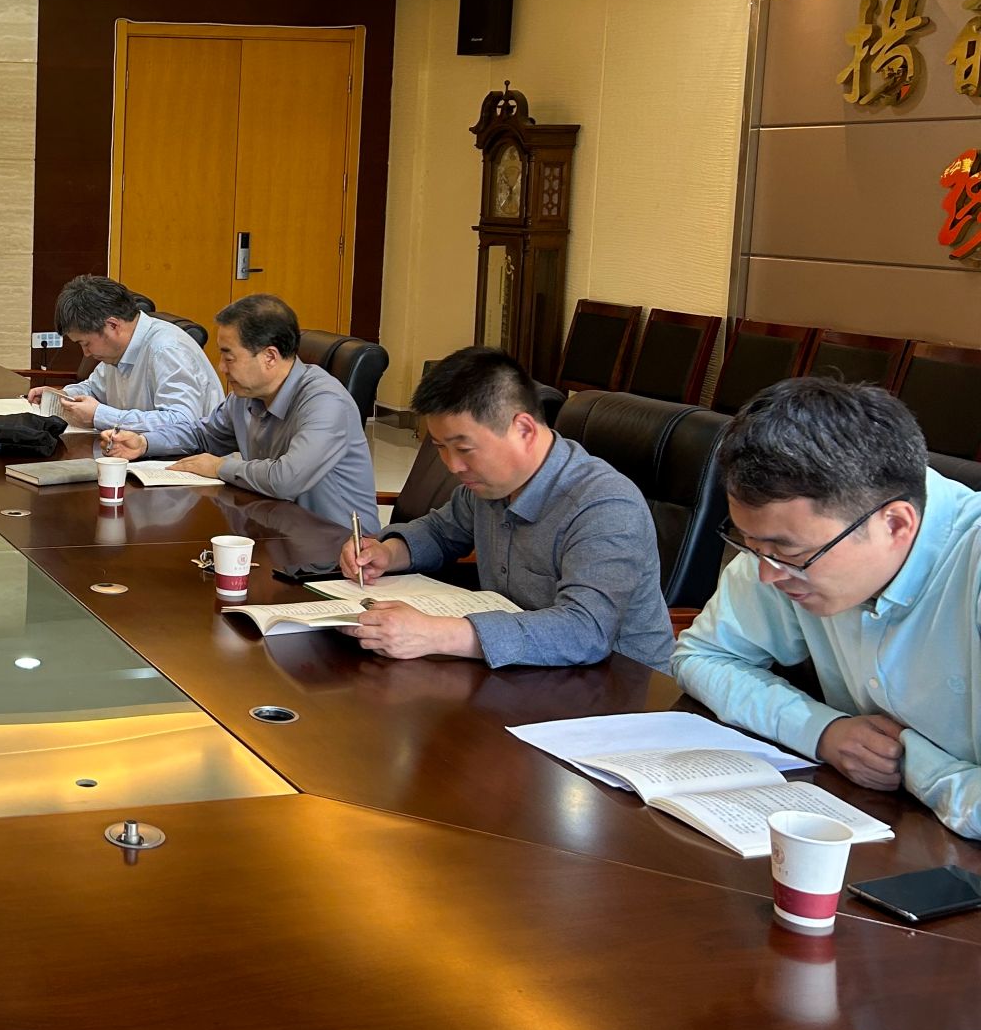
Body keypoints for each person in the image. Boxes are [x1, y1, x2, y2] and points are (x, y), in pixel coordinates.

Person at [672, 378, 981, 839]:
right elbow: (702, 656)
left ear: (895, 524)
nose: (767, 575)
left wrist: (914, 763)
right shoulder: (791, 541)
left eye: (789, 553)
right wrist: (823, 731)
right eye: (750, 544)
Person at [339, 346, 673, 670]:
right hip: (524, 672)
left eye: (464, 449)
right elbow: (441, 531)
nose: (453, 466)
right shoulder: (493, 484)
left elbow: (585, 631)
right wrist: (387, 552)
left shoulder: (604, 505)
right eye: (441, 447)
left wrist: (436, 634)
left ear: (523, 429)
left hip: (619, 687)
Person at [99, 294, 378, 527]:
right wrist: (144, 443)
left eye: (228, 356)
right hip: (272, 530)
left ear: (269, 356)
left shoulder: (326, 402)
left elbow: (287, 479)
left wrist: (219, 467)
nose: (221, 367)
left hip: (337, 550)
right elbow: (203, 435)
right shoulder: (247, 394)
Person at [27, 275, 222, 434]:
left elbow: (182, 422)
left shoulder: (167, 349)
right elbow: (95, 388)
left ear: (112, 325)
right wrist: (63, 396)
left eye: (86, 343)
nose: (86, 353)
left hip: (190, 460)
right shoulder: (117, 350)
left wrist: (100, 416)